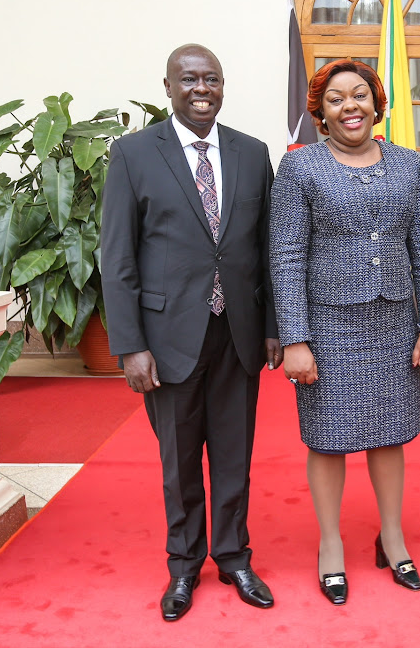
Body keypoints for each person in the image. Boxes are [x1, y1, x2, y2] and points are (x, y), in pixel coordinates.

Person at [101, 44, 282, 621]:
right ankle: (184, 566)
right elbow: (118, 256)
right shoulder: (132, 154)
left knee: (235, 455)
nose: (202, 89)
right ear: (169, 86)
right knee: (179, 464)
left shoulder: (252, 154)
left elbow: (267, 250)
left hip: (239, 333)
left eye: (212, 79)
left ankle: (233, 556)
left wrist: (274, 327)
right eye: (190, 80)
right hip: (167, 336)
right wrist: (130, 344)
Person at [269, 59, 420, 605]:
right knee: (328, 438)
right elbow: (287, 255)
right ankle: (329, 545)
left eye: (361, 95)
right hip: (327, 326)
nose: (351, 106)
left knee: (389, 433)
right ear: (320, 111)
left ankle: (391, 538)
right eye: (338, 98)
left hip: (393, 324)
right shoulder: (300, 170)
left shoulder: (409, 165)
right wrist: (295, 338)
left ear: (377, 103)